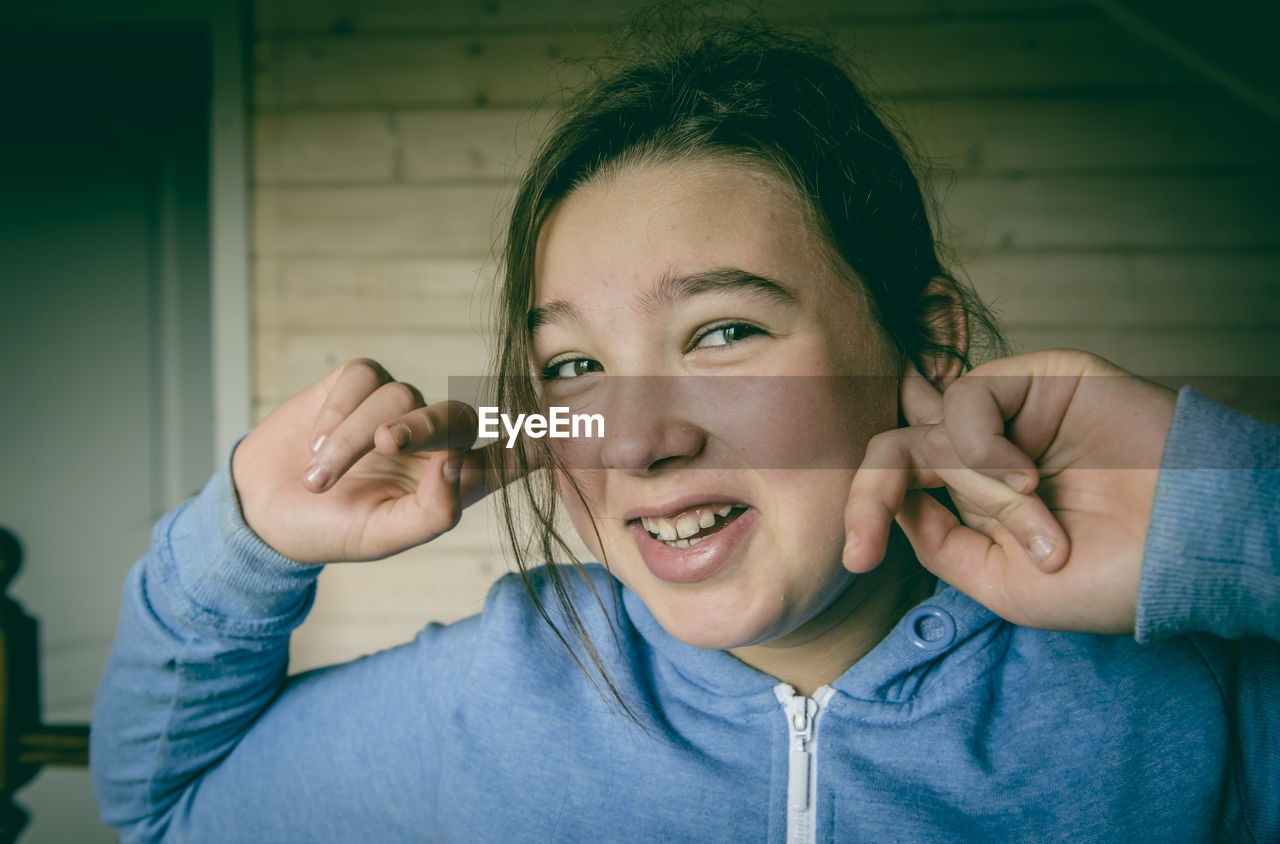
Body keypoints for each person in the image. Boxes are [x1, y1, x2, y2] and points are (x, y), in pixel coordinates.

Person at [90, 20, 1278, 842]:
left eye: (720, 334)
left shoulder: (1180, 703)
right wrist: (251, 536)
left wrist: (1233, 520)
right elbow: (162, 806)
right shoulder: (494, 702)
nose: (635, 443)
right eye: (573, 366)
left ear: (923, 345)